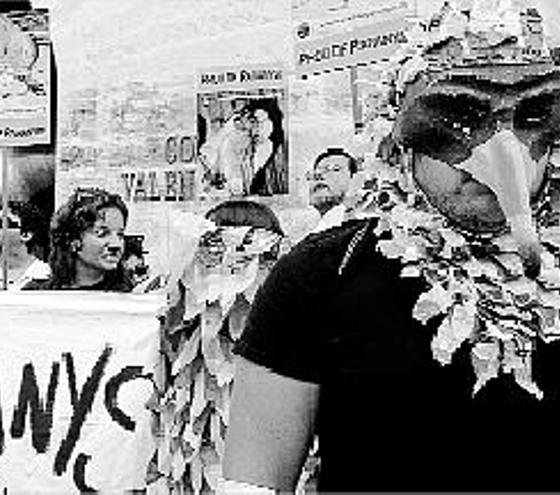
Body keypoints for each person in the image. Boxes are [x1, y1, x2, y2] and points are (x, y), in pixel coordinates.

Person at [223, 2, 560, 492]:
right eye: (460, 114)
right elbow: (255, 483)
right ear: (399, 135)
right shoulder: (322, 273)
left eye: (530, 115)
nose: (501, 152)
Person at [24, 188, 132, 291]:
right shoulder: (36, 294)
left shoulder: (132, 297)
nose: (116, 244)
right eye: (102, 233)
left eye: (120, 235)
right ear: (72, 240)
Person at [306, 147, 358, 233]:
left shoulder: (364, 230)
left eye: (334, 169)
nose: (319, 176)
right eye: (316, 172)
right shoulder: (315, 234)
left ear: (354, 180)